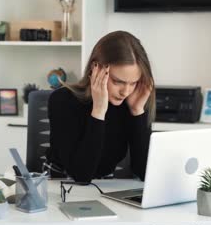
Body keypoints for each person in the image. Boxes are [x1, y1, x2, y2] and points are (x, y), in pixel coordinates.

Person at [45, 30, 156, 183]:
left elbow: (145, 173)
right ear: (96, 68)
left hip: (104, 188)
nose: (126, 91)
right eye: (118, 82)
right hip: (61, 185)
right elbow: (81, 175)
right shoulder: (63, 100)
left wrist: (137, 112)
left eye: (133, 82)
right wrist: (98, 110)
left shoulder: (133, 101)